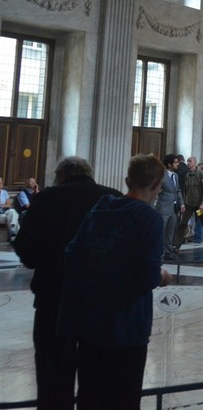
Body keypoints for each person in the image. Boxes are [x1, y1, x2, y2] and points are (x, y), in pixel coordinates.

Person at [59, 154, 170, 410]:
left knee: (89, 394)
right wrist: (162, 277)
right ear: (156, 186)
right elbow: (147, 275)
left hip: (89, 321)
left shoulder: (101, 209)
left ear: (127, 180)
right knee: (123, 397)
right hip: (125, 325)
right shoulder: (148, 218)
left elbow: (73, 254)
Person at [14, 156, 122, 409]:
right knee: (96, 377)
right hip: (101, 303)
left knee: (53, 375)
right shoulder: (113, 199)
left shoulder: (47, 199)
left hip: (54, 298)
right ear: (90, 173)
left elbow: (26, 251)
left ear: (61, 175)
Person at [174, 156, 203, 254]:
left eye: (190, 161)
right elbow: (185, 190)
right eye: (187, 161)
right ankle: (177, 245)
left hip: (200, 204)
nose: (188, 163)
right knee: (183, 223)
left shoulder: (201, 174)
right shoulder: (187, 175)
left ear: (195, 163)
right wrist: (183, 203)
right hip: (189, 204)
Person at [158, 154, 183, 259]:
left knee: (170, 231)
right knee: (161, 231)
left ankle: (168, 252)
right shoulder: (161, 176)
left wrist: (181, 203)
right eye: (176, 162)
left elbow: (177, 190)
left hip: (174, 208)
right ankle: (159, 253)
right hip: (163, 207)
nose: (178, 164)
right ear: (169, 164)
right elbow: (157, 190)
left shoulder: (175, 176)